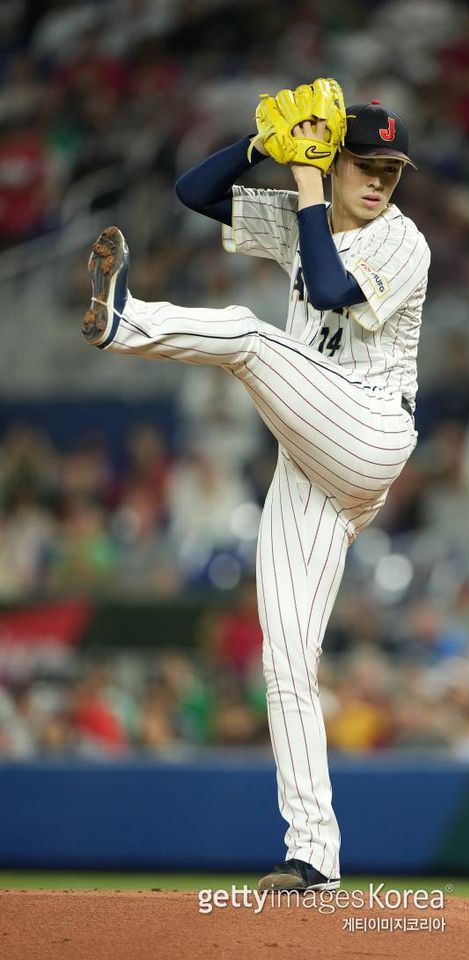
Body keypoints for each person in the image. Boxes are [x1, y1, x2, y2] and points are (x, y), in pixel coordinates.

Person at [81, 87, 430, 892]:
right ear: (338, 160)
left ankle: (125, 321)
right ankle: (314, 856)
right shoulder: (310, 206)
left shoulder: (404, 242)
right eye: (365, 164)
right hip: (311, 464)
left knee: (243, 332)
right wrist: (260, 146)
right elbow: (193, 193)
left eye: (391, 170)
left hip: (370, 430)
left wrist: (308, 182)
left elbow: (332, 288)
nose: (379, 181)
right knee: (287, 660)